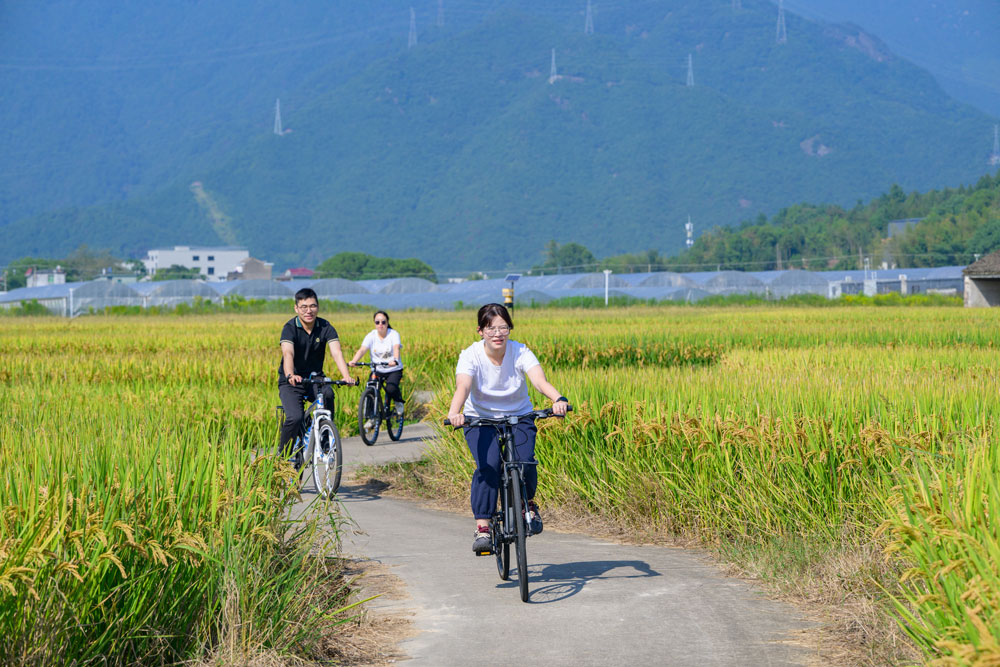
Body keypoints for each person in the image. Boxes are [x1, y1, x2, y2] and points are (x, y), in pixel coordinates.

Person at [446, 303, 569, 554]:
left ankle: (527, 505)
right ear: (480, 331)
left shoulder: (520, 351)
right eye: (491, 328)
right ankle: (483, 527)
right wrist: (454, 412)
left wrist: (558, 399)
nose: (498, 333)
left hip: (519, 415)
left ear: (510, 329)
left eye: (503, 327)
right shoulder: (470, 355)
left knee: (525, 461)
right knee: (488, 466)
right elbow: (464, 386)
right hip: (479, 418)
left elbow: (539, 380)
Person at [277, 288, 356, 454]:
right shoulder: (290, 328)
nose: (308, 311)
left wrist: (346, 376)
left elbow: (336, 352)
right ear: (296, 308)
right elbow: (288, 353)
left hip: (315, 379)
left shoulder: (325, 326)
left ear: (318, 307)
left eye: (312, 306)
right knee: (295, 417)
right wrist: (290, 374)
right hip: (292, 381)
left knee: (328, 394)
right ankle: (281, 457)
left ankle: (326, 438)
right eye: (304, 307)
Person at [349, 310, 405, 417]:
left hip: (393, 369)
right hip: (377, 369)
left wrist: (395, 360)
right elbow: (362, 350)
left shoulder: (393, 334)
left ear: (387, 323)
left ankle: (398, 402)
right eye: (377, 322)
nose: (380, 325)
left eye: (383, 322)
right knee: (370, 389)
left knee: (391, 388)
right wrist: (354, 360)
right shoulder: (371, 336)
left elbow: (396, 348)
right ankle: (370, 417)